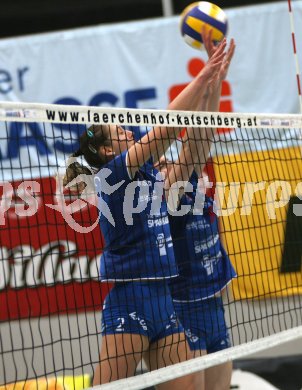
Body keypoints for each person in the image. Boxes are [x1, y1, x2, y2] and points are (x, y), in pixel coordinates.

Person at [62, 41, 227, 388]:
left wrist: (212, 89)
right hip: (130, 302)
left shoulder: (152, 178)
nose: (128, 130)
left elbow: (195, 150)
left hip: (164, 302)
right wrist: (201, 77)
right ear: (108, 150)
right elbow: (165, 131)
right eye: (120, 131)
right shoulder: (112, 177)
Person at [155, 31, 237, 390]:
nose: (162, 162)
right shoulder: (165, 197)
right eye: (156, 163)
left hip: (212, 302)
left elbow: (201, 136)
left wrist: (216, 79)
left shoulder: (191, 181)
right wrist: (208, 79)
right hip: (183, 307)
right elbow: (190, 148)